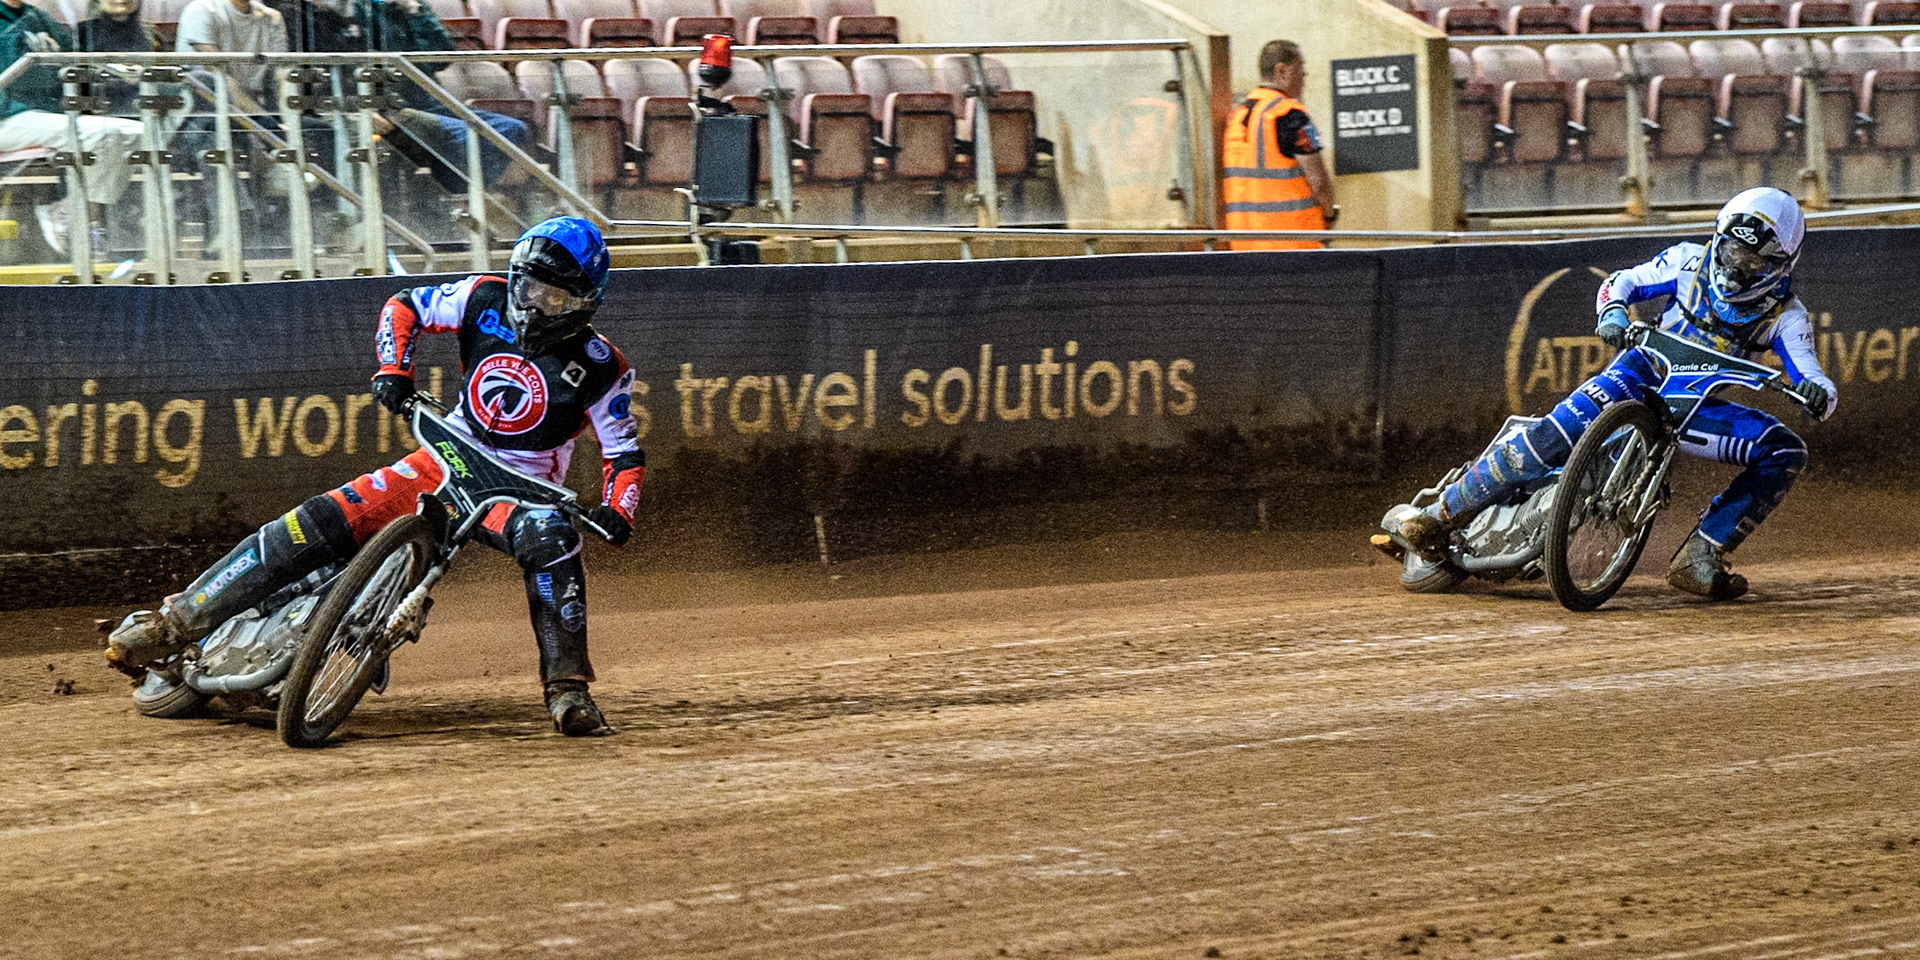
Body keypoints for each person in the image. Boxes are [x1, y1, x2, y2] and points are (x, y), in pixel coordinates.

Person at [105, 216, 644, 737]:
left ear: (583, 303)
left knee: (553, 539)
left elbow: (623, 453)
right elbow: (404, 305)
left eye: (552, 297)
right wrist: (394, 370)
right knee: (314, 521)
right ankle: (174, 623)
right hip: (442, 457)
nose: (532, 304)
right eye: (526, 286)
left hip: (516, 493)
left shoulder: (604, 367)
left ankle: (568, 690)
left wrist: (618, 509)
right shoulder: (482, 295)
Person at [1382, 187, 1836, 600]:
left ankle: (1700, 554)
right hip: (1638, 372)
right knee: (1550, 437)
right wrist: (1613, 313)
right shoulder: (1685, 261)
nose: (1739, 269)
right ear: (1719, 239)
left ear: (1782, 265)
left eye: (1754, 262)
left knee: (1785, 451)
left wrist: (1818, 393)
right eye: (1735, 252)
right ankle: (1439, 516)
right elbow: (1620, 282)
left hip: (1695, 406)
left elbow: (1813, 376)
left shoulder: (1788, 316)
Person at [0, 0, 145, 255]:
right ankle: (82, 217)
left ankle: (78, 212)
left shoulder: (36, 17)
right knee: (105, 134)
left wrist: (115, 68)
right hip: (7, 117)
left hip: (42, 115)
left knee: (136, 134)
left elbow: (76, 57)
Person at [1221, 39, 1336, 251]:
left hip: (1244, 248)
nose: (1304, 76)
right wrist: (1329, 215)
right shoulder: (1290, 114)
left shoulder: (1237, 117)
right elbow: (1318, 180)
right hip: (1293, 246)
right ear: (1281, 71)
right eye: (1300, 68)